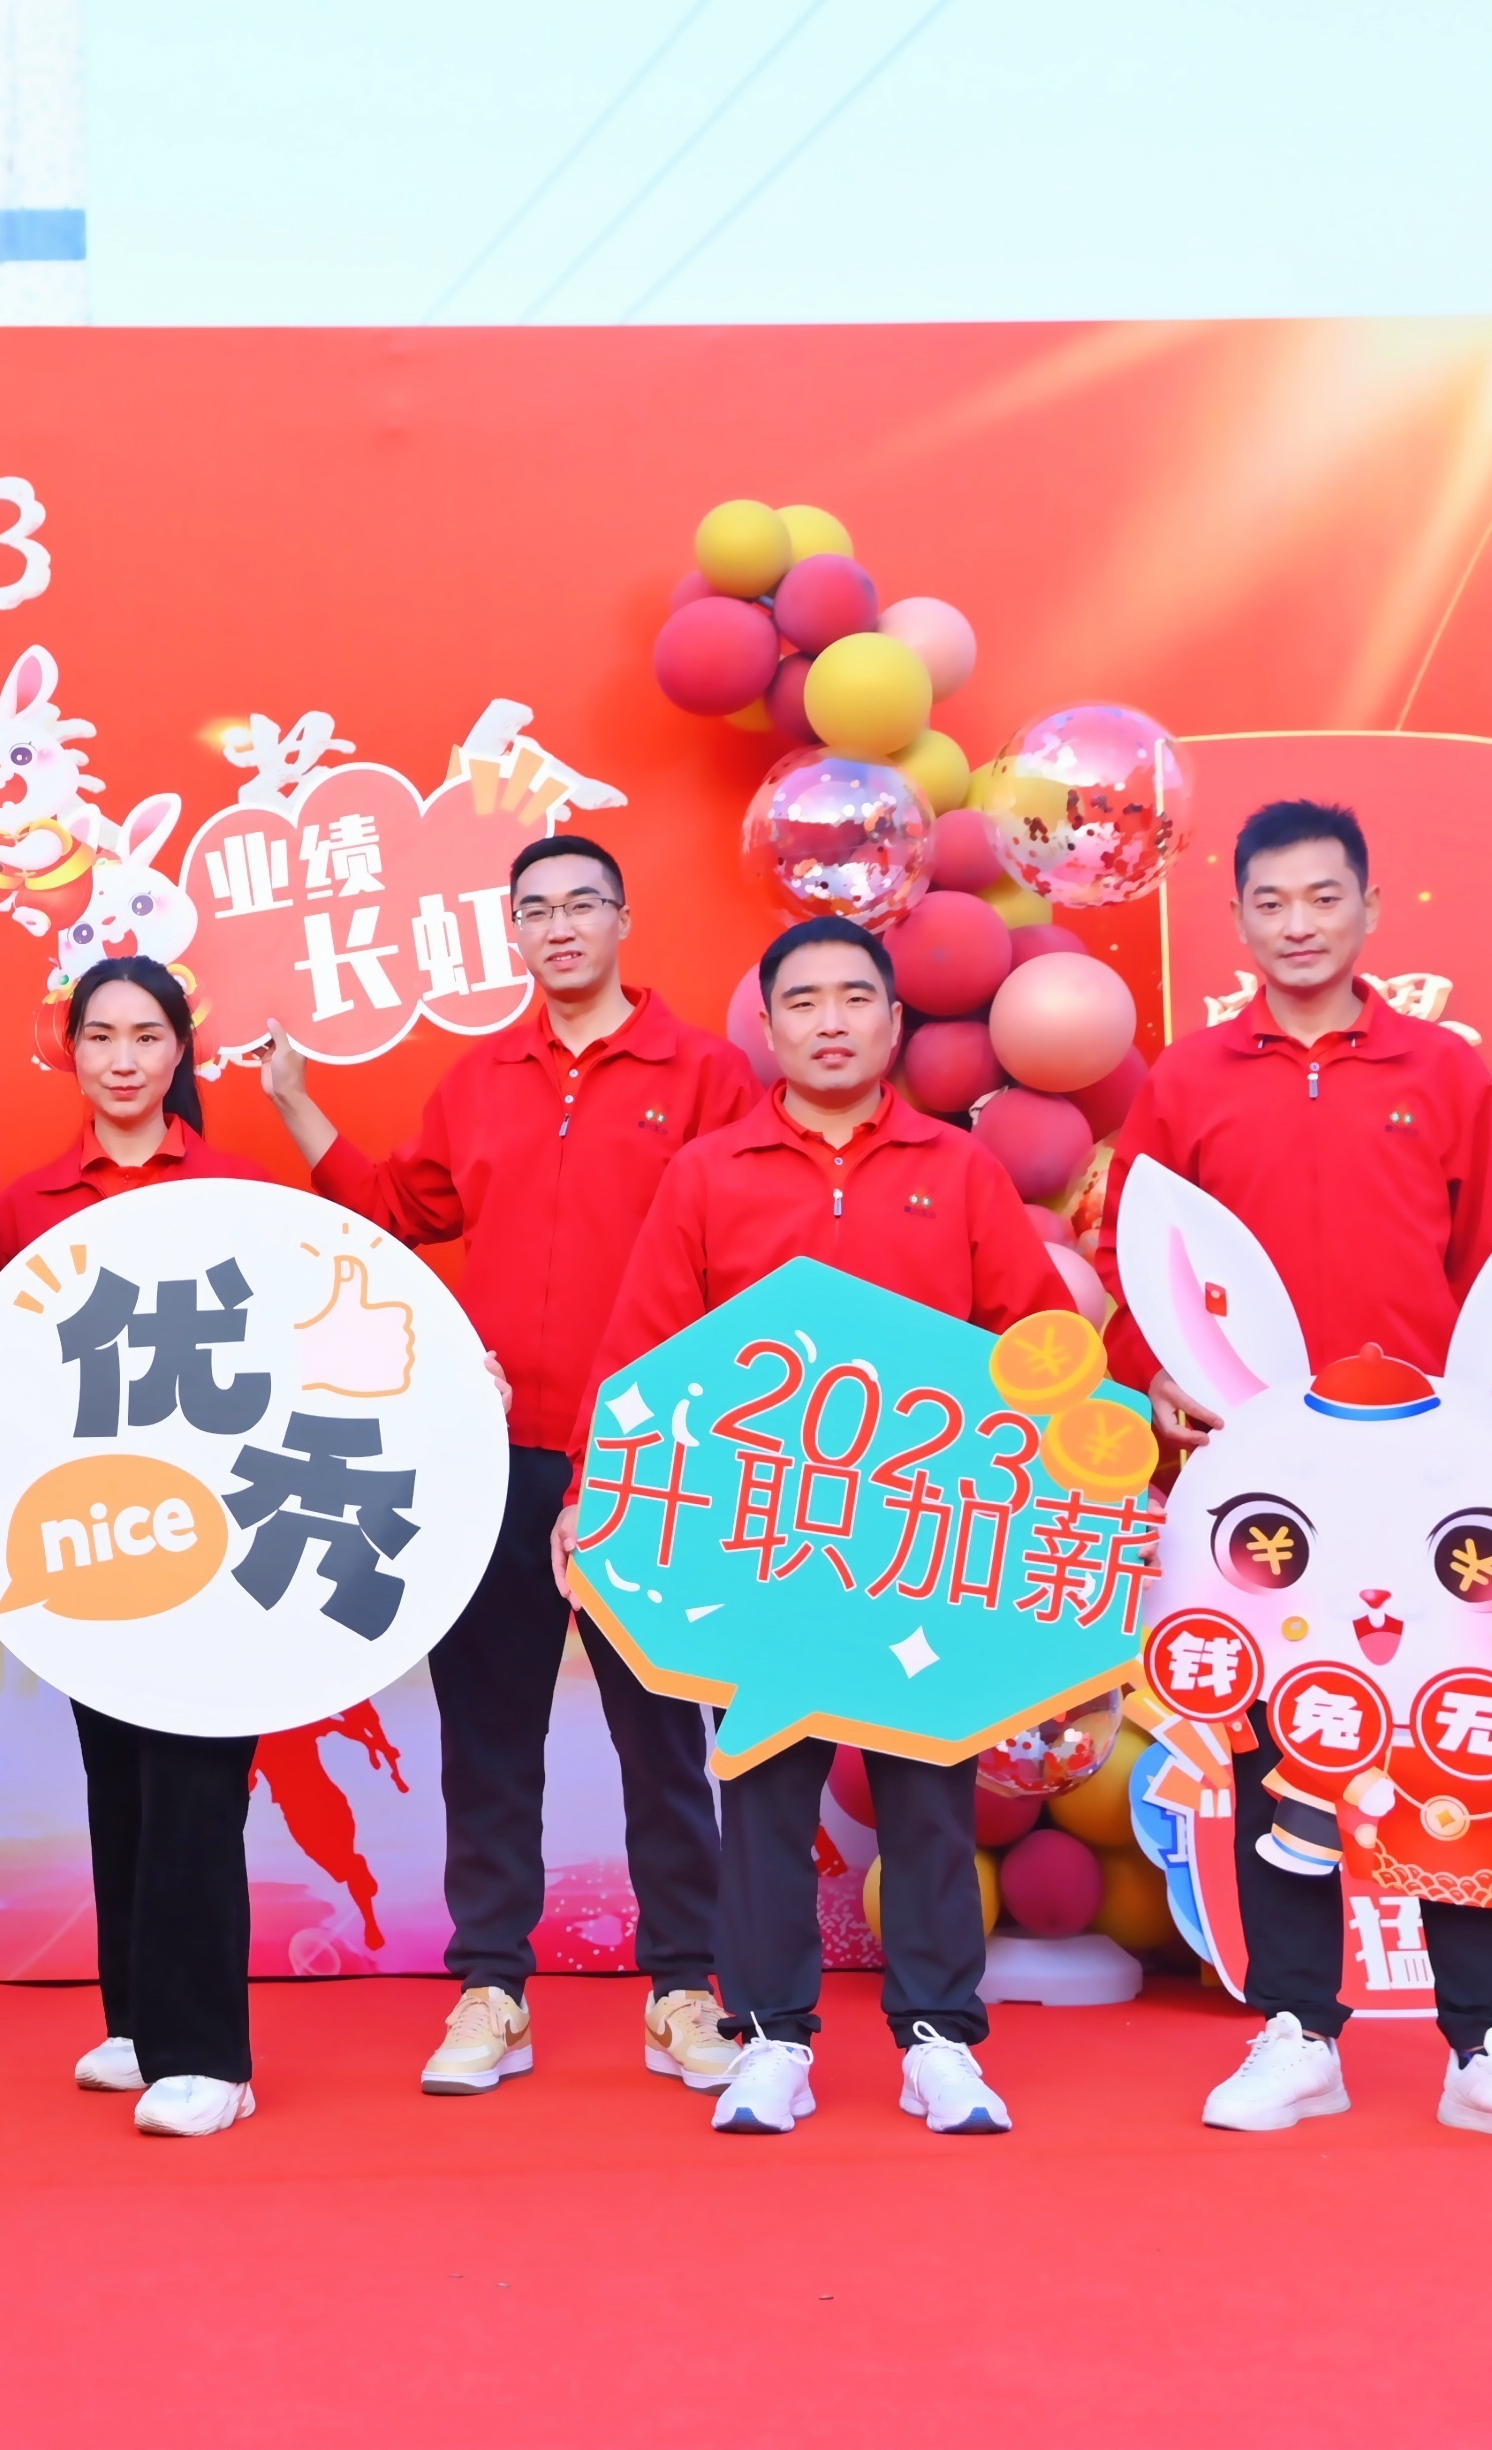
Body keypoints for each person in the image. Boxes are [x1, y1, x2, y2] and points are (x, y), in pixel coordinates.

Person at [1103, 798, 1492, 2155]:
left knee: (1461, 1731)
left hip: (1431, 1482)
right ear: (1238, 921)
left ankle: (1489, 2043)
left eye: (1323, 898)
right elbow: (1135, 1269)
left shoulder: (1440, 1070)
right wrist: (1153, 1376)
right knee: (1280, 1743)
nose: (1299, 924)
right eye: (1271, 902)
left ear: (1369, 910)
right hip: (1267, 1489)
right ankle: (1298, 2031)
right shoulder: (1188, 1081)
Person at [260, 830, 745, 2099]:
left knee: (662, 1737)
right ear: (511, 932)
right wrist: (297, 1102)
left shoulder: (705, 1075)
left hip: (653, 1461)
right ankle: (491, 1988)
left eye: (583, 904)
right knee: (488, 1737)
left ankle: (683, 1988)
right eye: (536, 910)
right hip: (494, 1459)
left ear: (623, 920)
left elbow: (751, 1251)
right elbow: (399, 1212)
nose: (560, 927)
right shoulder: (477, 1080)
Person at [581, 915, 1068, 2139]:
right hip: (759, 1545)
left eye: (856, 997)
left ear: (895, 1022)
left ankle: (940, 2040)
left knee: (928, 1789)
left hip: (922, 1545)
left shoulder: (959, 1169)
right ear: (770, 1027)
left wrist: (1071, 1478)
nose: (832, 1021)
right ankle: (772, 2039)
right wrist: (599, 1495)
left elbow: (1033, 1341)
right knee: (761, 1791)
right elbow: (643, 1353)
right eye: (803, 1001)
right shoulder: (708, 1173)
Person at [0, 958, 275, 2139]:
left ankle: (211, 2056)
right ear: (69, 1051)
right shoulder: (28, 1206)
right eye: (100, 1037)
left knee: (195, 1790)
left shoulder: (239, 1193)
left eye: (145, 1036)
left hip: (221, 1540)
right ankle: (138, 2023)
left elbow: (305, 1351)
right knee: (120, 1780)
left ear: (182, 1051)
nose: (123, 1059)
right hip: (91, 1539)